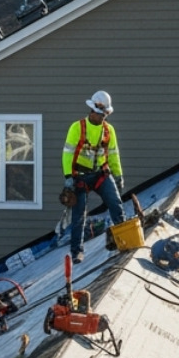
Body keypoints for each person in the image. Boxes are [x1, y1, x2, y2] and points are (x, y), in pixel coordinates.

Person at [60, 91, 125, 265]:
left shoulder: (108, 131)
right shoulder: (77, 127)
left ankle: (123, 240)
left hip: (100, 174)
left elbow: (113, 155)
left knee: (116, 203)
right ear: (92, 110)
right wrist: (68, 176)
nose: (102, 117)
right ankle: (77, 252)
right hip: (79, 177)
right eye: (100, 114)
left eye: (105, 115)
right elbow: (67, 154)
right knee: (79, 215)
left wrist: (118, 176)